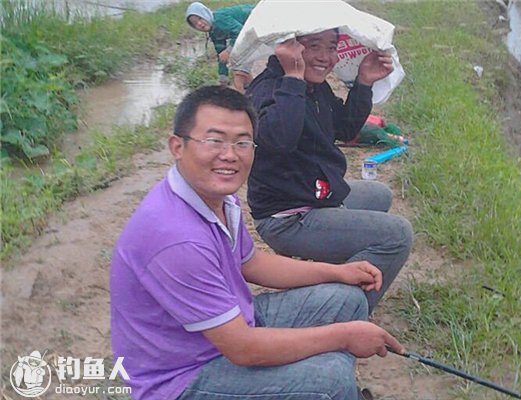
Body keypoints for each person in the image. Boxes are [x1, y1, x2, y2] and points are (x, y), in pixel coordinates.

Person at [110, 86, 404, 400]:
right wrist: (344, 337)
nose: (229, 154)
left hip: (227, 327)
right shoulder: (175, 239)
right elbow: (244, 349)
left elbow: (253, 263)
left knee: (347, 300)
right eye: (214, 140)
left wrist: (338, 272)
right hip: (181, 375)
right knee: (329, 378)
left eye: (242, 142)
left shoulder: (216, 196)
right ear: (177, 146)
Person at [246, 29, 413, 314]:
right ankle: (340, 311)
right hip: (288, 217)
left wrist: (363, 83)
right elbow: (280, 140)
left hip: (315, 195)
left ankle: (329, 280)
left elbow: (346, 128)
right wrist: (293, 79)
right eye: (313, 46)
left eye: (332, 47)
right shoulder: (268, 88)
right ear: (290, 47)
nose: (325, 57)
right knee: (397, 235)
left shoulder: (315, 87)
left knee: (378, 194)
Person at [186, 2, 254, 92]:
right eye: (195, 23)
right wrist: (223, 77)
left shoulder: (219, 19)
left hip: (258, 16)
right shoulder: (213, 31)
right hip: (250, 29)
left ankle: (242, 94)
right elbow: (221, 54)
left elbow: (241, 32)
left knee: (238, 65)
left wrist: (228, 51)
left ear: (206, 14)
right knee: (239, 61)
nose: (199, 24)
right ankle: (251, 87)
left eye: (200, 18)